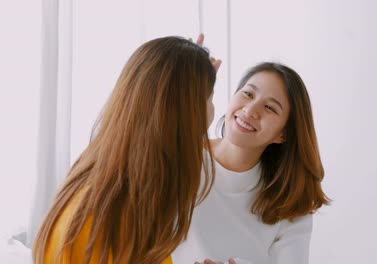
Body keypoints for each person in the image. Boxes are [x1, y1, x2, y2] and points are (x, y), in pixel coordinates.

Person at [33, 35, 221, 264]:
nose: (212, 109)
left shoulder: (100, 186)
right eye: (209, 98)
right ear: (186, 111)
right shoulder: (117, 220)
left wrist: (182, 67)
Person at [171, 62, 330, 264]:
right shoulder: (180, 155)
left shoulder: (290, 201)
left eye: (270, 108)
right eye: (248, 94)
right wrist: (183, 83)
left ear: (283, 134)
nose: (250, 110)